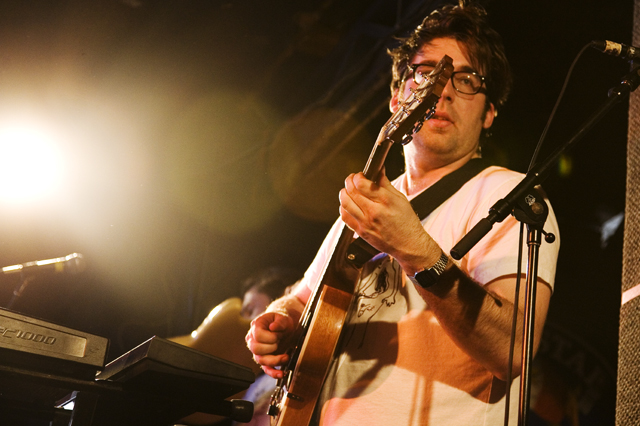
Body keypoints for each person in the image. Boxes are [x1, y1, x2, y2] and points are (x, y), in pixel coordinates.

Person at [245, 2, 560, 425]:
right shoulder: (366, 205)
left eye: (467, 79)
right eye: (427, 72)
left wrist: (413, 247)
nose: (442, 89)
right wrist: (280, 318)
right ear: (398, 98)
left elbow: (512, 349)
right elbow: (303, 298)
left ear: (489, 113)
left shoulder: (509, 196)